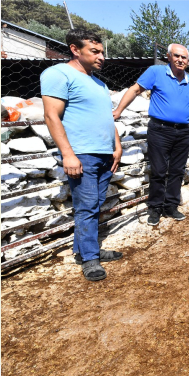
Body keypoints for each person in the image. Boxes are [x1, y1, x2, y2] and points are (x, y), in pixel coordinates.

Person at [41, 29, 123, 281]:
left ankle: (87, 250)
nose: (102, 57)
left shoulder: (99, 83)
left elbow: (107, 118)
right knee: (86, 207)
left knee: (95, 205)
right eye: (95, 52)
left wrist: (117, 145)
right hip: (82, 153)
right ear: (75, 50)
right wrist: (68, 154)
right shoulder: (58, 74)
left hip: (104, 154)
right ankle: (90, 259)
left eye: (102, 52)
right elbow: (51, 115)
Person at [112, 43, 189, 226]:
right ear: (169, 57)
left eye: (184, 57)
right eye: (177, 56)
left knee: (177, 170)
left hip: (182, 132)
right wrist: (119, 110)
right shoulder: (156, 72)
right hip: (160, 130)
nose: (180, 60)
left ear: (188, 61)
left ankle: (171, 206)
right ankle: (155, 208)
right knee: (158, 171)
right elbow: (135, 90)